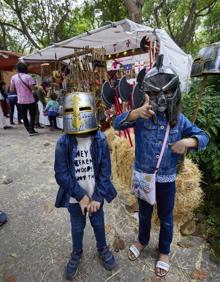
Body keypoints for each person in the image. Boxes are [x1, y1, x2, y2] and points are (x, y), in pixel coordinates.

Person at [110, 56, 209, 278]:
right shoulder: (142, 117)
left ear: (175, 93)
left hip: (166, 179)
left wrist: (187, 142)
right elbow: (116, 123)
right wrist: (135, 113)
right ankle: (142, 239)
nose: (161, 99)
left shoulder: (179, 120)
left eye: (166, 93)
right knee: (144, 213)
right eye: (155, 94)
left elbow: (204, 137)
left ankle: (164, 251)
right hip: (143, 178)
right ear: (147, 95)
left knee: (165, 217)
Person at [54, 92, 117, 280]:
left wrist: (97, 197)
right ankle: (77, 252)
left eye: (82, 110)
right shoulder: (63, 142)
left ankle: (102, 248)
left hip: (96, 195)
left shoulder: (99, 139)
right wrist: (80, 196)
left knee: (98, 224)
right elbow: (61, 174)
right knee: (77, 227)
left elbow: (105, 171)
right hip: (75, 198)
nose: (77, 116)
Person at [10, 62, 38, 136]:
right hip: (30, 99)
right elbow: (33, 89)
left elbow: (11, 89)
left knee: (24, 115)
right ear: (25, 68)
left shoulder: (13, 77)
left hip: (20, 100)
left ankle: (28, 129)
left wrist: (19, 90)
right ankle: (31, 129)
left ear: (17, 69)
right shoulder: (28, 77)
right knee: (32, 114)